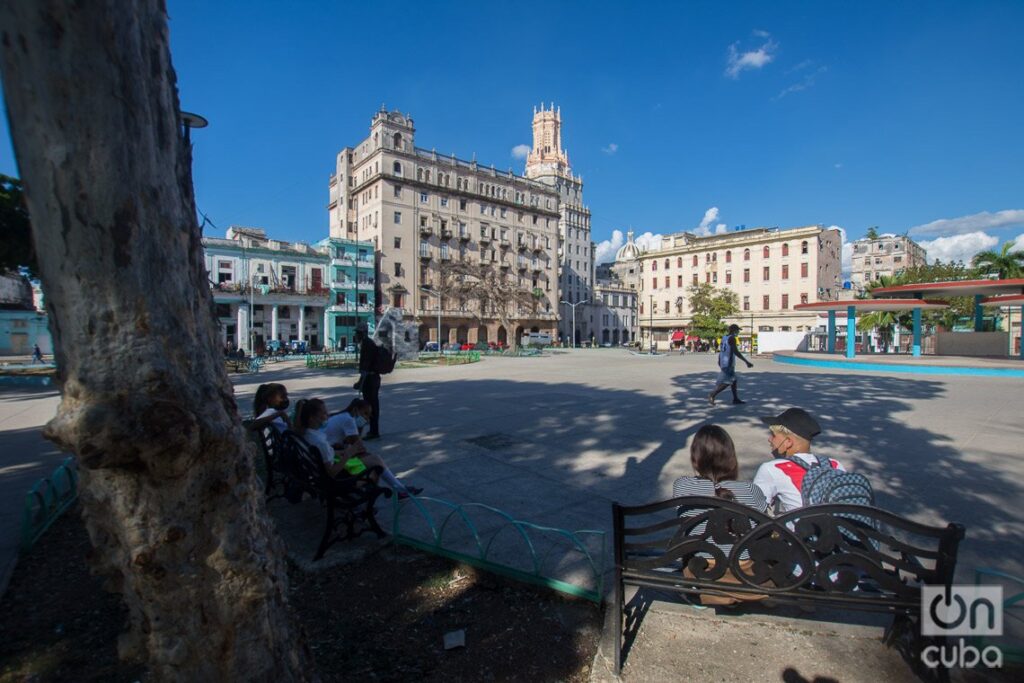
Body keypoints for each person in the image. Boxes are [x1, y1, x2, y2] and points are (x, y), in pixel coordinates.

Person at [672, 425, 771, 606]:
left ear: (695, 458)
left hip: (703, 568)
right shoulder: (751, 491)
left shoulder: (682, 486)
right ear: (732, 457)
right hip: (744, 571)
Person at [322, 397, 422, 498]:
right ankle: (399, 490)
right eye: (365, 414)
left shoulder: (342, 416)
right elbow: (359, 447)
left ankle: (398, 489)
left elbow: (354, 445)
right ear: (355, 410)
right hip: (334, 463)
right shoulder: (349, 420)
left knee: (373, 459)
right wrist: (360, 428)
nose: (367, 419)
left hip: (329, 458)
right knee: (375, 461)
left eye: (369, 416)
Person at [752, 407, 844, 513]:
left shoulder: (772, 469)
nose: (769, 439)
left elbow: (755, 513)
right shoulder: (835, 464)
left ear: (788, 442)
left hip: (797, 529)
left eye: (773, 435)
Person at [707, 324, 752, 406]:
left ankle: (735, 399)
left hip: (724, 362)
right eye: (737, 330)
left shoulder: (724, 338)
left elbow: (721, 351)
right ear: (734, 330)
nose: (738, 332)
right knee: (727, 382)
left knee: (734, 380)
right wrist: (746, 361)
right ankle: (712, 394)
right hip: (728, 363)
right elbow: (735, 352)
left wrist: (719, 360)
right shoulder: (732, 338)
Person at [353, 322, 382, 440]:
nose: (356, 335)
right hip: (373, 378)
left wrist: (360, 382)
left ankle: (373, 431)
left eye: (358, 333)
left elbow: (366, 364)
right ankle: (373, 430)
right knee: (372, 404)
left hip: (370, 379)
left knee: (369, 406)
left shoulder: (366, 344)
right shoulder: (368, 343)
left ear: (362, 333)